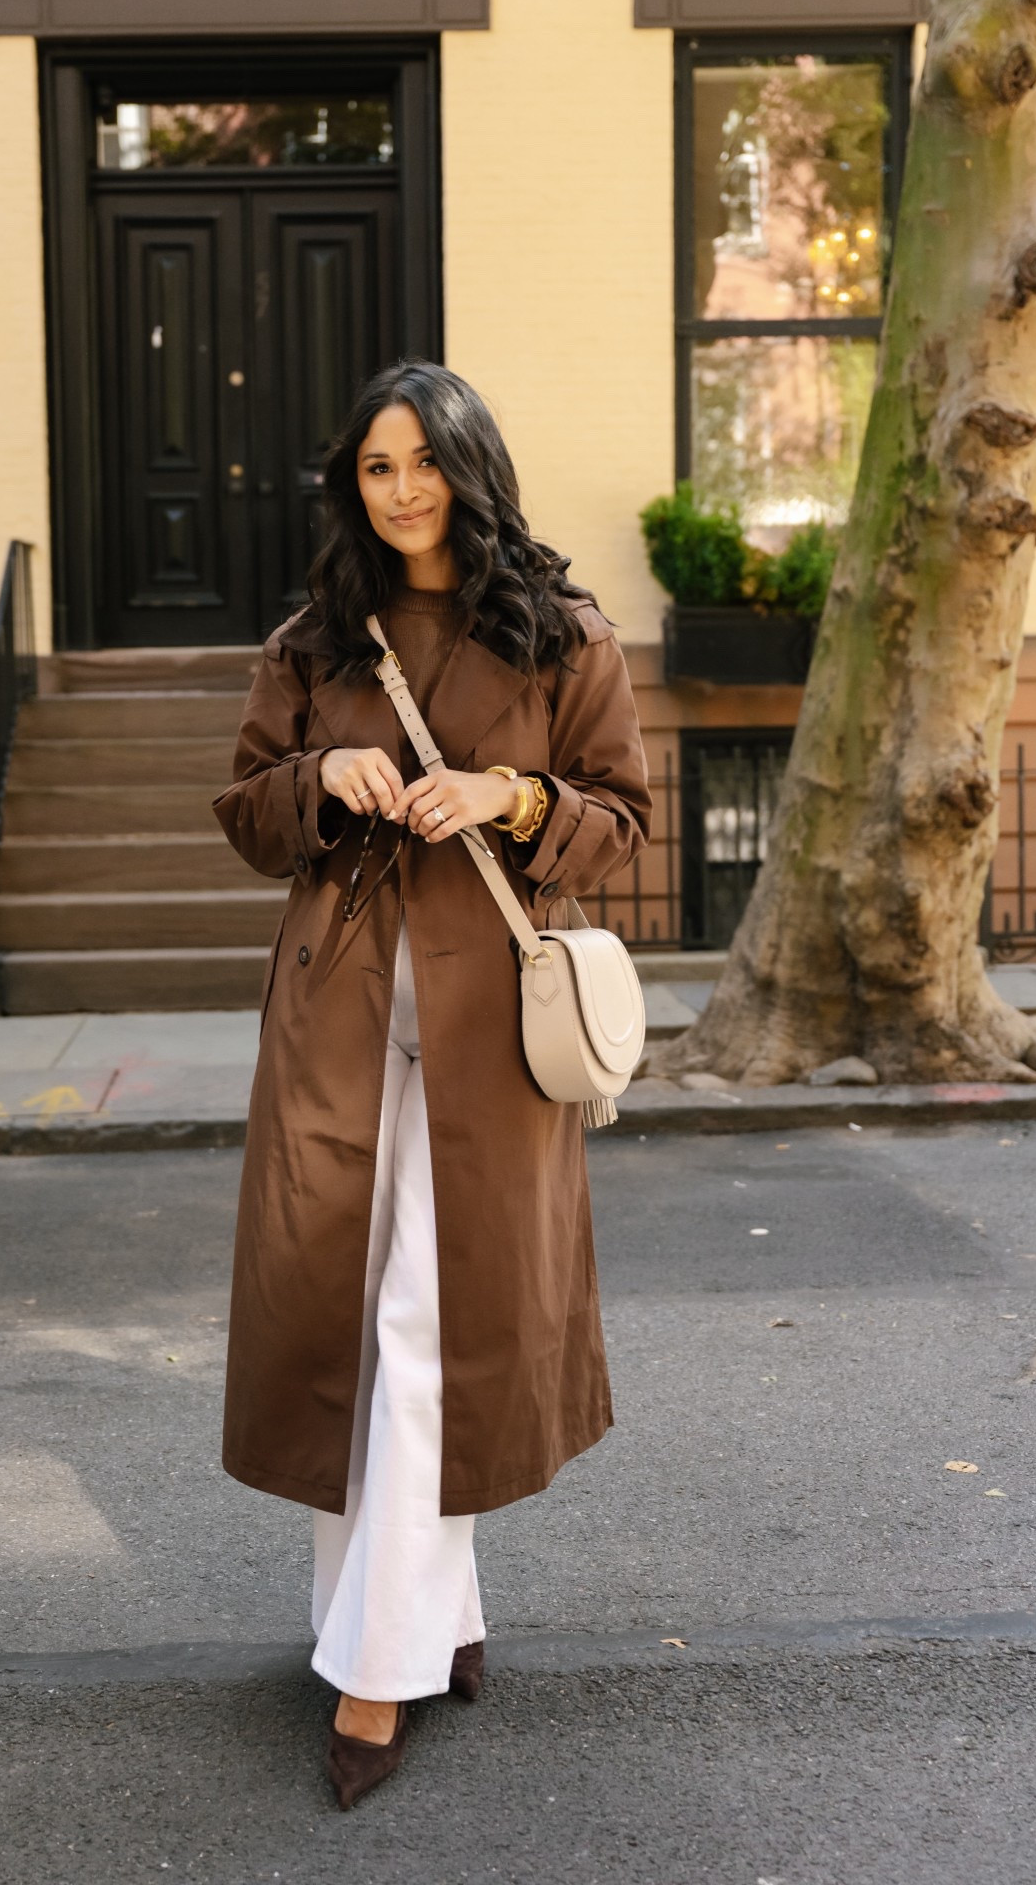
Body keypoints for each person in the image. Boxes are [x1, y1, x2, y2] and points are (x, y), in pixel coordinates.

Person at [212, 358, 651, 1807]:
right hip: (337, 1024)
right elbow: (245, 810)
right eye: (373, 468)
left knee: (427, 1325)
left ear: (470, 465)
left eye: (421, 462)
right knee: (353, 1325)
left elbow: (621, 818)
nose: (399, 492)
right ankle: (418, 1619)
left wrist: (512, 797)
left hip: (489, 1047)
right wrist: (321, 778)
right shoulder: (314, 638)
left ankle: (376, 1670)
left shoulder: (561, 636)